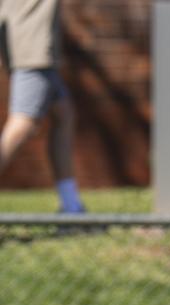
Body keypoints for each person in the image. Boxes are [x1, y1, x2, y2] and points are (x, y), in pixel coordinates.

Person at [0, 0, 84, 212]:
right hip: (34, 51)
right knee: (23, 122)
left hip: (32, 47)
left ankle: (71, 206)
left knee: (63, 115)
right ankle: (71, 207)